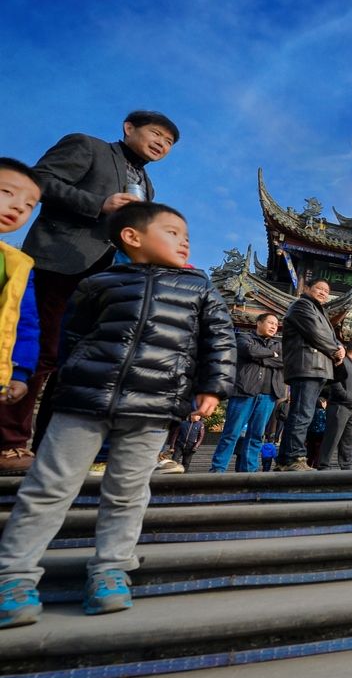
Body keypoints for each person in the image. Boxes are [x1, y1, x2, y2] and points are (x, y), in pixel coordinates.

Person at [0, 201, 235, 627]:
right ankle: (13, 574)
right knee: (49, 486)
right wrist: (71, 377)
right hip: (83, 401)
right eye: (172, 232)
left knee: (128, 491)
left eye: (186, 236)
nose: (184, 241)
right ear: (131, 236)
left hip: (154, 404)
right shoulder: (98, 283)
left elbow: (219, 341)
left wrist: (212, 387)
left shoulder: (200, 289)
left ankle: (111, 568)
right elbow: (73, 335)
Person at [0, 114, 180, 475]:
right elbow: (40, 181)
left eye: (168, 142)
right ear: (129, 128)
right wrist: (100, 203)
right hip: (60, 263)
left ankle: (51, 448)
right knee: (38, 353)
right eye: (156, 134)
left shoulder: (148, 186)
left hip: (104, 280)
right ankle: (9, 443)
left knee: (76, 363)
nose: (161, 144)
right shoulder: (88, 146)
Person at [278, 280, 344, 472]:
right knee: (302, 413)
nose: (323, 293)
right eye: (319, 288)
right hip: (307, 365)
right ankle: (294, 457)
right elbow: (316, 332)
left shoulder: (318, 310)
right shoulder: (302, 305)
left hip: (315, 367)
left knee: (302, 413)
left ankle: (285, 459)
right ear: (307, 289)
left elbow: (327, 335)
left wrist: (337, 346)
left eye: (326, 291)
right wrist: (335, 349)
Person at [208, 312, 285, 473]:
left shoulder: (279, 345)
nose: (274, 326)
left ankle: (249, 471)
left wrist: (262, 355)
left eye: (276, 324)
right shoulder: (243, 338)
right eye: (270, 322)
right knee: (231, 432)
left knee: (256, 435)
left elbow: (284, 361)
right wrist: (272, 355)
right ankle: (218, 469)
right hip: (244, 391)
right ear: (259, 323)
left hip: (268, 394)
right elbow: (249, 351)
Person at [0, 159, 42, 445]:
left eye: (29, 205)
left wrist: (20, 371)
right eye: (7, 193)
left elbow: (26, 323)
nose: (18, 207)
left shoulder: (18, 265)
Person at [318, 341, 352, 470]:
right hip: (340, 406)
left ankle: (346, 465)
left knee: (349, 439)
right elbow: (335, 383)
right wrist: (347, 397)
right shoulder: (341, 361)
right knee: (332, 437)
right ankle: (323, 464)